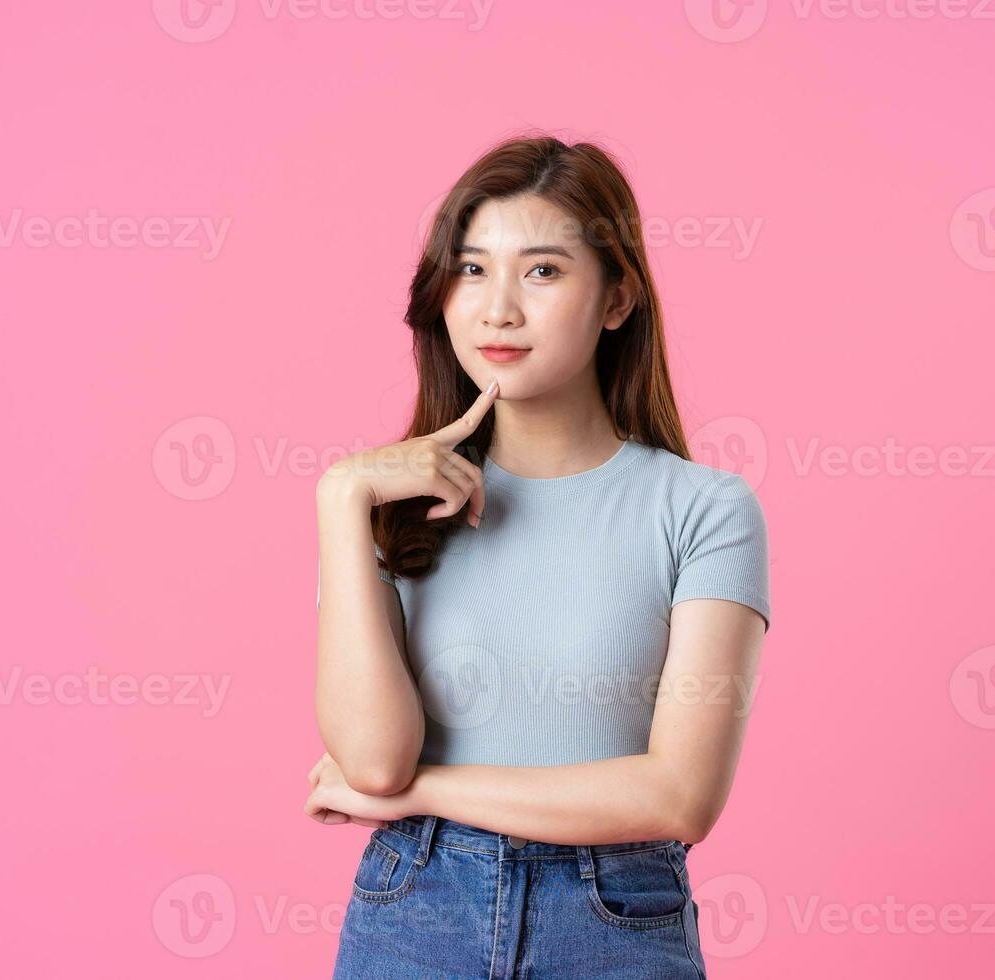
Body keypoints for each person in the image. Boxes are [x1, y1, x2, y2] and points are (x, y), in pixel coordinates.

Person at [309, 133, 770, 979]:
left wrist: (422, 795)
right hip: (413, 915)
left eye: (543, 271)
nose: (498, 310)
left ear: (617, 298)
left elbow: (680, 797)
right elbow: (373, 758)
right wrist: (340, 500)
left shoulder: (705, 511)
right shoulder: (383, 507)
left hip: (614, 922)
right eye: (474, 269)